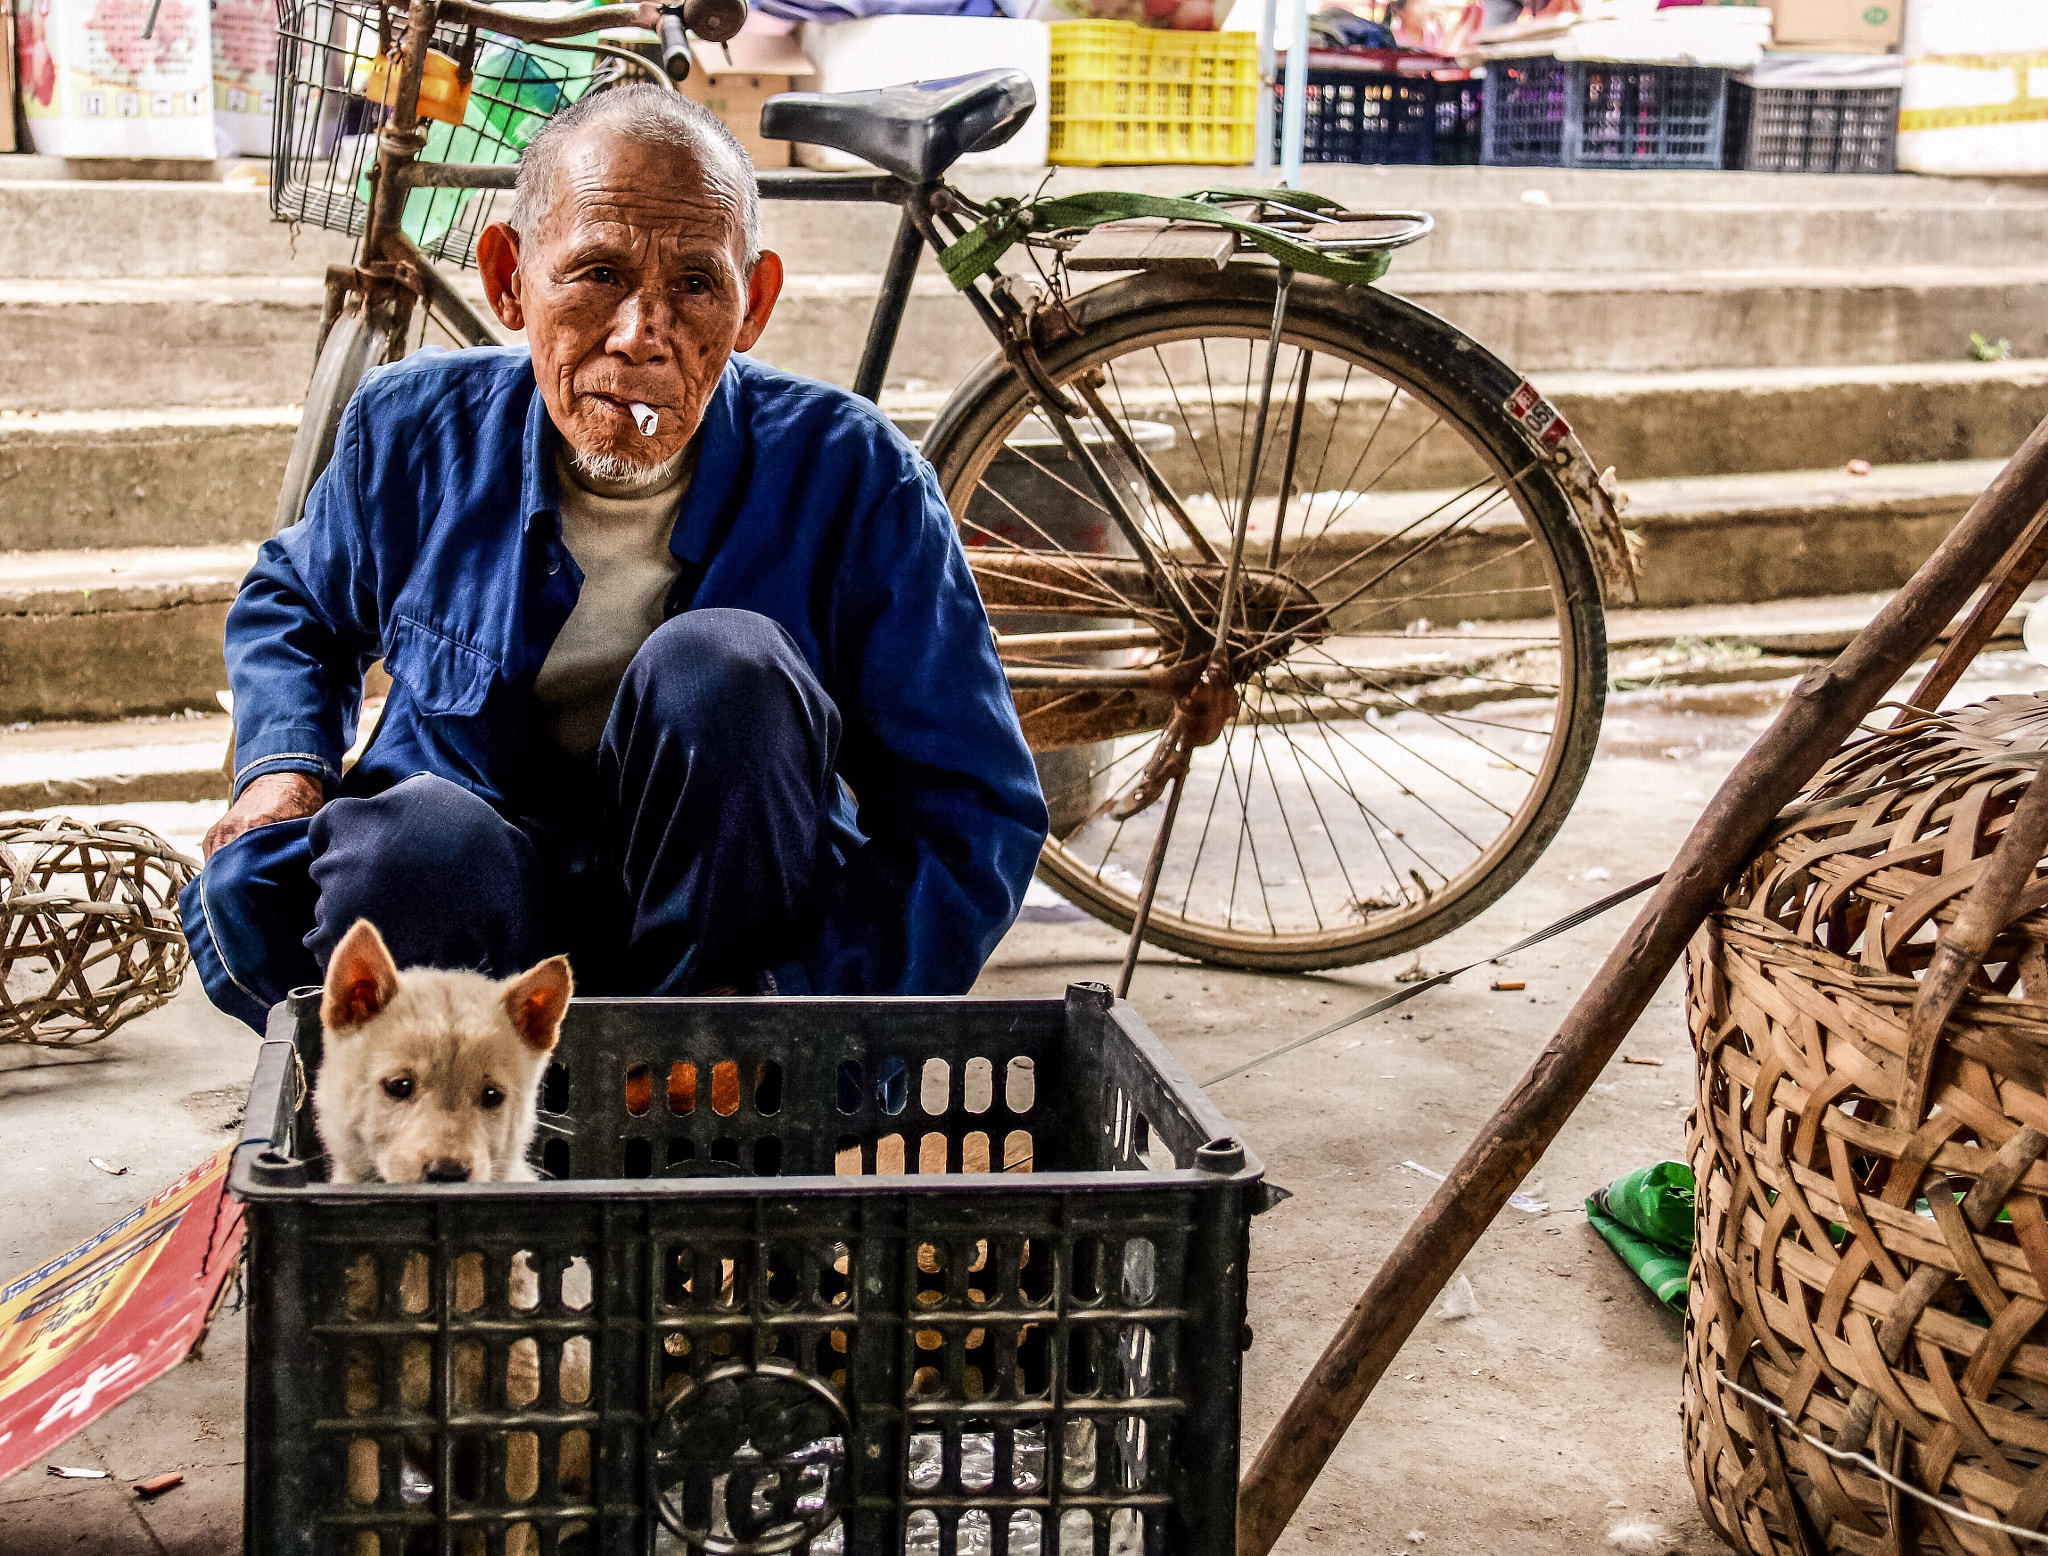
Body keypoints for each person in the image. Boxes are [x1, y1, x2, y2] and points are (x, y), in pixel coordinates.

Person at [182, 84, 1048, 1031]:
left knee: (724, 671)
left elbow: (972, 811)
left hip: (725, 943)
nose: (641, 334)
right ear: (510, 279)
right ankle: (454, 1110)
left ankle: (710, 1094)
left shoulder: (855, 474)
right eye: (596, 273)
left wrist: (794, 1015)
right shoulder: (410, 431)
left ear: (752, 304)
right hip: (474, 928)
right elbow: (294, 601)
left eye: (694, 284)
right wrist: (284, 766)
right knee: (408, 844)